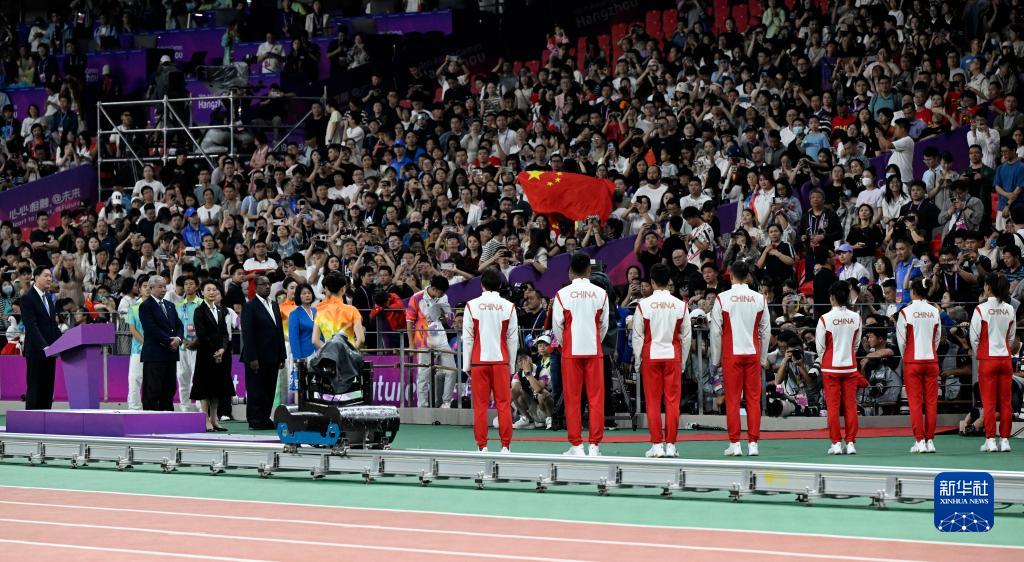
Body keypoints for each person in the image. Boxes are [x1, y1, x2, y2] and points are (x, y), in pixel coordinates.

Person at [551, 253, 609, 457]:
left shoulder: (562, 294)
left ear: (571, 271)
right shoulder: (601, 293)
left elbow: (557, 326)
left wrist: (566, 344)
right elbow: (604, 325)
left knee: (572, 399)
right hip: (594, 350)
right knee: (596, 398)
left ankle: (577, 446)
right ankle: (594, 446)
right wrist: (594, 341)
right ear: (589, 270)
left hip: (571, 351)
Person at [632, 263, 692, 458]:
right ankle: (671, 445)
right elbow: (686, 337)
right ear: (669, 281)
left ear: (651, 282)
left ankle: (657, 445)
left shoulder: (643, 305)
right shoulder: (681, 305)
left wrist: (638, 361)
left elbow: (637, 336)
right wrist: (682, 361)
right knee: (672, 402)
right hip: (672, 355)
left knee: (653, 402)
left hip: (651, 355)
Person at [710, 261, 769, 457]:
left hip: (732, 354)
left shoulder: (722, 298)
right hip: (752, 353)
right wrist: (763, 357)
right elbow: (766, 330)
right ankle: (753, 444)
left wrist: (716, 358)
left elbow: (716, 332)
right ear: (748, 277)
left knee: (733, 400)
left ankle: (735, 444)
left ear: (730, 275)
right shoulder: (759, 298)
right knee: (753, 399)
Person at [462, 267, 519, 453]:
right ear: (500, 285)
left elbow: (468, 338)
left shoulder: (471, 305)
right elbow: (512, 339)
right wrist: (511, 366)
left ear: (481, 285)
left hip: (478, 362)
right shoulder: (509, 306)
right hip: (501, 362)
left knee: (480, 406)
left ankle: (482, 446)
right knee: (504, 405)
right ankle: (506, 446)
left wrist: (466, 365)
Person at [815, 280, 863, 456]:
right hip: (849, 366)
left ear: (832, 297)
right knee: (851, 405)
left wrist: (826, 361)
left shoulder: (824, 319)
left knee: (833, 407)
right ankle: (850, 443)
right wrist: (847, 355)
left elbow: (820, 347)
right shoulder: (856, 317)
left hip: (831, 367)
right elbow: (856, 344)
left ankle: (836, 443)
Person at [969, 273, 1015, 453]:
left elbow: (974, 337)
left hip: (988, 359)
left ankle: (990, 440)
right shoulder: (1010, 309)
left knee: (988, 402)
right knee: (1005, 402)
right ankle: (1005, 440)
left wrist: (980, 353)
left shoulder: (981, 309)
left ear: (988, 287)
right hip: (1005, 359)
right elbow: (1011, 337)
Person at [895, 279, 941, 454]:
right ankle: (930, 441)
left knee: (914, 402)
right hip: (931, 360)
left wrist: (907, 357)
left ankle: (920, 441)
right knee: (931, 402)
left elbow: (901, 340)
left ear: (913, 292)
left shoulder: (905, 312)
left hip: (912, 361)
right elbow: (937, 337)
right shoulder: (934, 311)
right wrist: (931, 352)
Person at [241, 276, 286, 429]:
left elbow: (279, 331)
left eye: (269, 284)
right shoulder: (249, 306)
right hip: (256, 356)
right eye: (263, 284)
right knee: (255, 389)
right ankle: (254, 420)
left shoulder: (274, 305)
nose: (267, 286)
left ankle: (265, 418)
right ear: (255, 287)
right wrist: (252, 357)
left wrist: (282, 355)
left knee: (269, 389)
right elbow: (248, 334)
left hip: (273, 355)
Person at [406, 275, 456, 407]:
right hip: (423, 340)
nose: (443, 295)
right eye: (441, 292)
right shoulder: (416, 298)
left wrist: (444, 316)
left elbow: (446, 320)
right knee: (424, 375)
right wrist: (411, 344)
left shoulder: (443, 297)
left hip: (441, 338)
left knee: (451, 370)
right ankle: (422, 406)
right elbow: (409, 321)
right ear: (434, 289)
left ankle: (446, 403)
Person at [190, 281, 233, 432]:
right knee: (205, 388)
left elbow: (225, 333)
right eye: (208, 289)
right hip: (206, 354)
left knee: (217, 388)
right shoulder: (199, 311)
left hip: (220, 355)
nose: (212, 292)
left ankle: (214, 419)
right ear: (202, 292)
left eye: (214, 289)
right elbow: (202, 334)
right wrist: (215, 351)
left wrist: (222, 349)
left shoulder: (221, 310)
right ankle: (205, 419)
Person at [139, 276, 184, 411]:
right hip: (154, 355)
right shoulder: (146, 306)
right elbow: (151, 329)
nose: (164, 289)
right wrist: (170, 341)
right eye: (160, 287)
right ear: (151, 288)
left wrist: (178, 339)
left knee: (170, 388)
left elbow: (179, 325)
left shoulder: (170, 305)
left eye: (165, 286)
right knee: (153, 389)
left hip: (170, 354)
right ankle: (150, 417)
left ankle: (168, 415)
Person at [19, 266, 60, 409]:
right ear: (36, 277)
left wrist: (60, 344)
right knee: (35, 388)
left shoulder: (48, 298)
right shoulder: (27, 298)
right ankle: (31, 419)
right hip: (36, 351)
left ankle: (46, 418)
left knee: (47, 389)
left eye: (50, 276)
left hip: (51, 352)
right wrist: (44, 346)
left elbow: (53, 324)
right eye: (46, 275)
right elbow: (31, 326)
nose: (49, 278)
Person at [312, 272, 363, 349]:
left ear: (326, 289)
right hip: (348, 354)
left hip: (329, 354)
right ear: (343, 289)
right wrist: (351, 352)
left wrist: (329, 351)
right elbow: (361, 339)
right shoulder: (352, 310)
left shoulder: (319, 312)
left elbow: (315, 340)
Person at [175, 277, 201, 412]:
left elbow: (205, 325)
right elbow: (176, 326)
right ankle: (184, 406)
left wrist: (196, 341)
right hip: (183, 346)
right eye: (186, 284)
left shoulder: (202, 304)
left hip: (198, 346)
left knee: (197, 376)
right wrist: (184, 340)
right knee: (182, 376)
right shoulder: (179, 306)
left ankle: (199, 405)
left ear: (197, 286)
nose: (188, 286)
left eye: (191, 284)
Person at [126, 276, 151, 410]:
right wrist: (146, 343)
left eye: (150, 286)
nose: (148, 289)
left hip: (155, 350)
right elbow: (132, 329)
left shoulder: (159, 306)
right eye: (144, 286)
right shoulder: (134, 307)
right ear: (139, 289)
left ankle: (151, 407)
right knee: (134, 379)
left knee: (152, 380)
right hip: (138, 349)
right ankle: (134, 407)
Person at [288, 283, 318, 394]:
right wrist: (298, 358)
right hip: (303, 355)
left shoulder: (316, 311)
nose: (307, 295)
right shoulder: (294, 314)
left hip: (317, 353)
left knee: (316, 386)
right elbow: (293, 338)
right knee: (301, 388)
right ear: (298, 296)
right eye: (304, 293)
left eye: (309, 293)